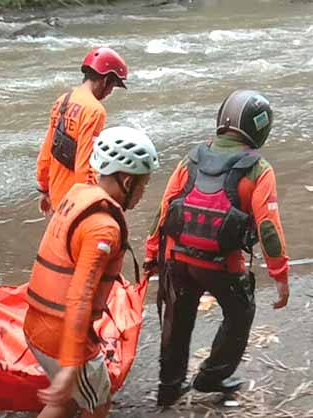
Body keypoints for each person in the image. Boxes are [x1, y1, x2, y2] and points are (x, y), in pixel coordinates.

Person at [144, 90, 290, 407]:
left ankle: (168, 387)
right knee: (240, 314)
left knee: (177, 320)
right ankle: (211, 376)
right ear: (259, 128)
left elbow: (164, 208)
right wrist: (280, 276)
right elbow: (268, 228)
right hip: (224, 266)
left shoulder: (191, 158)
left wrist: (150, 255)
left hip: (177, 261)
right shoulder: (258, 169)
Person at [24, 127, 160, 418]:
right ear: (126, 180)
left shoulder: (79, 194)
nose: (142, 193)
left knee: (69, 402)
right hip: (61, 338)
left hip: (36, 326)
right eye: (143, 185)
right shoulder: (104, 227)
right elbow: (80, 296)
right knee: (98, 404)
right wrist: (71, 364)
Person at [36, 46, 128, 216]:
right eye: (112, 87)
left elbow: (46, 153)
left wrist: (43, 190)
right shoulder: (94, 110)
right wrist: (93, 206)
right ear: (106, 81)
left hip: (57, 199)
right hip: (75, 206)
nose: (109, 92)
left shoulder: (62, 100)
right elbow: (85, 168)